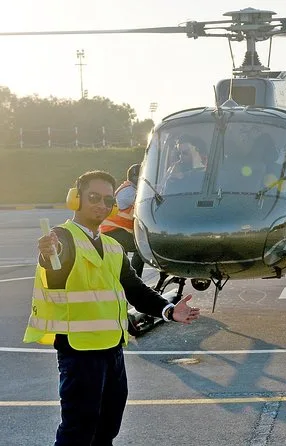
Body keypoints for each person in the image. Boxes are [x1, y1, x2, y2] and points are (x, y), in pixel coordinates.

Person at [24, 170, 201, 446]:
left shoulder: (112, 246)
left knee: (107, 428)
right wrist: (49, 253)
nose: (102, 205)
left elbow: (135, 289)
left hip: (113, 350)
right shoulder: (63, 237)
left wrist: (168, 309)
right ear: (76, 199)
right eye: (94, 197)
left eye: (108, 200)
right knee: (77, 431)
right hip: (80, 352)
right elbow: (55, 259)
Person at [100, 163, 144, 277]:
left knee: (122, 259)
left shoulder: (129, 188)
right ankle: (135, 279)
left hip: (116, 230)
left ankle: (123, 279)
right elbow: (142, 204)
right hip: (113, 231)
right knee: (141, 249)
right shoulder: (129, 192)